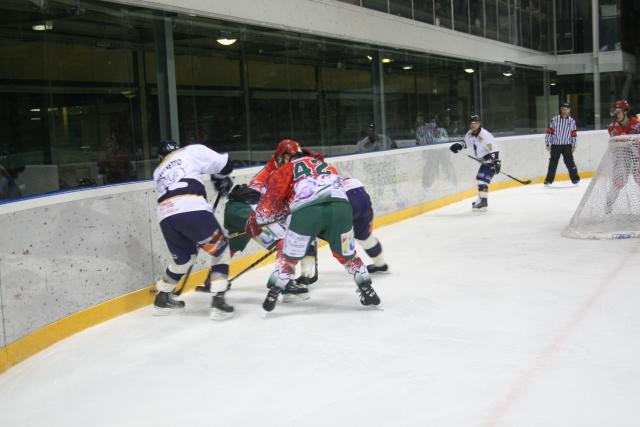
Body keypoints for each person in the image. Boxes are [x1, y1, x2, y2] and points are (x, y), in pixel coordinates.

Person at [246, 141, 381, 312]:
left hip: (308, 212)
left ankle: (275, 290)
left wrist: (258, 221)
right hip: (341, 209)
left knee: (290, 256)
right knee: (348, 255)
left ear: (287, 157)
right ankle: (367, 289)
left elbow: (266, 211)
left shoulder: (284, 170)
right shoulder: (325, 165)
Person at [152, 140, 235, 320]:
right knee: (221, 250)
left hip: (166, 216)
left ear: (160, 157)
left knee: (184, 260)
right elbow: (227, 164)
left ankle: (162, 297)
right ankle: (218, 301)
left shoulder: (157, 171)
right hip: (191, 207)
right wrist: (219, 177)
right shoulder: (191, 151)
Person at [449, 115, 501, 211]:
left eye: (475, 123)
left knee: (481, 179)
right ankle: (481, 200)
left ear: (479, 124)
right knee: (480, 179)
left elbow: (493, 148)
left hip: (490, 160)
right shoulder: (470, 133)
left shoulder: (485, 135)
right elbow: (466, 143)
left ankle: (483, 202)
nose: (473, 125)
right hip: (484, 161)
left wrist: (496, 162)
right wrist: (459, 145)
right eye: (471, 123)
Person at [342, 177, 389, 273]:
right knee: (365, 238)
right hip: (361, 194)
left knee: (343, 238)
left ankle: (306, 274)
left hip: (343, 197)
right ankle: (380, 264)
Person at [605, 100, 640, 213]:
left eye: (618, 112)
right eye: (615, 112)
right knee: (618, 181)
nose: (616, 115)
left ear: (625, 112)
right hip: (622, 157)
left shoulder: (637, 123)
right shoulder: (612, 127)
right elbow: (620, 142)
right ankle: (609, 204)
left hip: (637, 156)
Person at [544, 102, 580, 186]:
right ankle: (549, 180)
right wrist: (547, 143)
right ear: (561, 109)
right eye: (563, 109)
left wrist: (574, 145)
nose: (565, 111)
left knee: (570, 162)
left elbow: (573, 134)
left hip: (567, 145)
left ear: (569, 110)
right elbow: (549, 131)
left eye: (566, 109)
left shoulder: (572, 121)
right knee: (553, 163)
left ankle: (575, 179)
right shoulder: (554, 119)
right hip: (555, 145)